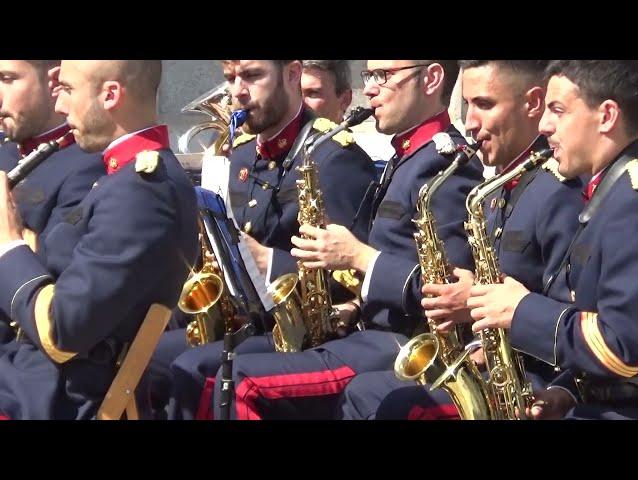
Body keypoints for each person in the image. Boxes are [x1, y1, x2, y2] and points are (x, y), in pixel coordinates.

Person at [207, 60, 484, 420]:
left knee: (244, 382)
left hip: (403, 344)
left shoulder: (445, 164)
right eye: (369, 76)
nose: (369, 89)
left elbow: (445, 289)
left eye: (382, 77)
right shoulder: (409, 156)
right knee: (233, 363)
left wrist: (358, 257)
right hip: (366, 330)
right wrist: (352, 305)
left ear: (431, 78)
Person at [338, 60, 586, 420]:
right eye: (467, 105)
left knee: (390, 403)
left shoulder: (558, 193)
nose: (469, 122)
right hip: (496, 368)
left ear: (532, 104)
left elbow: (575, 318)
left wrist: (562, 387)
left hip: (534, 386)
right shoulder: (493, 191)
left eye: (484, 105)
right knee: (366, 394)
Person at [158, 59, 377, 420]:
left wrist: (269, 262)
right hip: (243, 318)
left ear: (292, 74)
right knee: (143, 348)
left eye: (253, 76)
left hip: (298, 333)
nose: (237, 91)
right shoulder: (243, 152)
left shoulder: (334, 156)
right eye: (230, 78)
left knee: (188, 369)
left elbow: (351, 281)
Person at [0, 60, 198, 419]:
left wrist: (8, 242)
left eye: (69, 90)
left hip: (51, 395)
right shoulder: (122, 180)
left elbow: (62, 331)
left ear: (110, 95)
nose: (60, 106)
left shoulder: (142, 192)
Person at [467, 60, 638, 420]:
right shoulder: (612, 192)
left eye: (558, 110)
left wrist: (521, 309)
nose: (544, 125)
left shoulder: (631, 202)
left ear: (607, 115)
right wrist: (566, 391)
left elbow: (623, 349)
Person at [0, 60, 105, 344]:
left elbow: (54, 293)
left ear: (54, 81)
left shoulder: (88, 165)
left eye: (7, 79)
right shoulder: (6, 148)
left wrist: (11, 236)